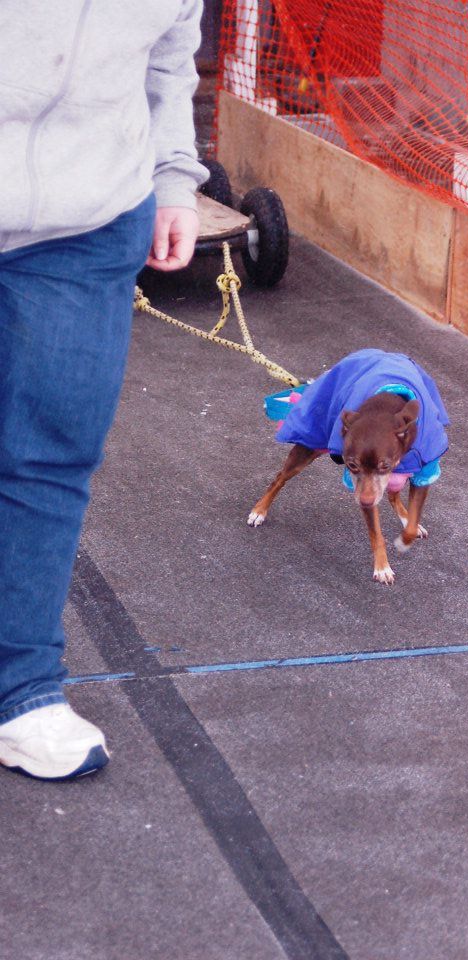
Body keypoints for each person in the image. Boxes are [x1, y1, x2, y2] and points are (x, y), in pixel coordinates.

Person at [0, 1, 208, 780]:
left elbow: (165, 60)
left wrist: (173, 181)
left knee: (48, 458)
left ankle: (20, 693)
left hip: (85, 222)